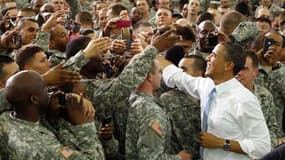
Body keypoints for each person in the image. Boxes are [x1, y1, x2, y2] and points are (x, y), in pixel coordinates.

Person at [158, 41, 271, 160]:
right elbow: (178, 77)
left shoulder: (243, 99)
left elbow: (263, 147)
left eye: (214, 56)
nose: (208, 59)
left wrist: (221, 143)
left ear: (228, 65)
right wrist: (151, 50)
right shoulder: (207, 86)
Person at [0, 70, 104, 159]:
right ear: (34, 99)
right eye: (45, 88)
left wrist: (50, 117)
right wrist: (83, 125)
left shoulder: (4, 118)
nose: (51, 91)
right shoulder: (46, 147)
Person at [126, 58, 192, 160]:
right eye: (159, 71)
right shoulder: (151, 110)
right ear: (149, 77)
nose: (162, 76)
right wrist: (179, 158)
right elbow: (150, 157)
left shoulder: (132, 100)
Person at [159, 55, 206, 160]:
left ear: (199, 74)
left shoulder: (209, 97)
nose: (179, 74)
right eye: (178, 70)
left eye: (183, 70)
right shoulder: (167, 99)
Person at [236, 51, 278, 147]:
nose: (238, 73)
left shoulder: (265, 95)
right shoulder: (224, 95)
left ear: (255, 72)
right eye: (236, 68)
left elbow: (272, 127)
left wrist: (265, 151)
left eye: (243, 69)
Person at [255, 30, 285, 138]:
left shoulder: (282, 71)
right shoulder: (249, 68)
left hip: (275, 136)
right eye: (269, 42)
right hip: (251, 133)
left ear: (282, 49)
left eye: (277, 44)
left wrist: (275, 68)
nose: (272, 46)